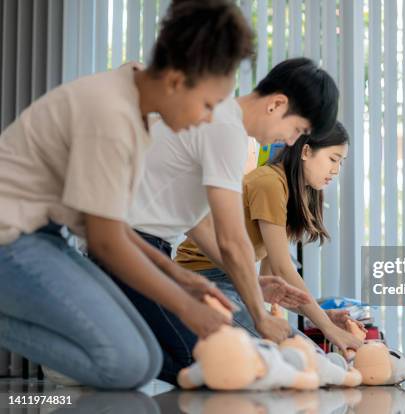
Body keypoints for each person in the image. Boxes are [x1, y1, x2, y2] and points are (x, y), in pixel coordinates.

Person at [0, 0, 253, 389]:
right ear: (174, 81)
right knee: (125, 365)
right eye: (207, 105)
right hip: (11, 238)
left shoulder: (134, 108)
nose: (206, 119)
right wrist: (186, 306)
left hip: (46, 236)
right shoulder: (112, 117)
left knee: (148, 358)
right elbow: (105, 244)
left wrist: (180, 277)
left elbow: (111, 228)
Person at [122, 58, 344, 384]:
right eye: (298, 129)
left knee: (204, 358)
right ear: (277, 104)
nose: (293, 141)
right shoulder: (227, 130)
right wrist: (259, 315)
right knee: (215, 362)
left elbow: (194, 222)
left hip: (150, 249)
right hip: (132, 246)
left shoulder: (232, 130)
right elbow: (230, 238)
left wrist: (253, 285)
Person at [176, 122, 365, 357]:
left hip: (235, 282)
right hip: (206, 281)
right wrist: (326, 328)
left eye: (341, 162)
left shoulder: (288, 190)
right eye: (333, 159)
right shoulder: (270, 183)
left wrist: (321, 316)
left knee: (309, 357)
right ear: (306, 152)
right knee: (307, 359)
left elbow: (273, 282)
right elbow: (282, 268)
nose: (336, 170)